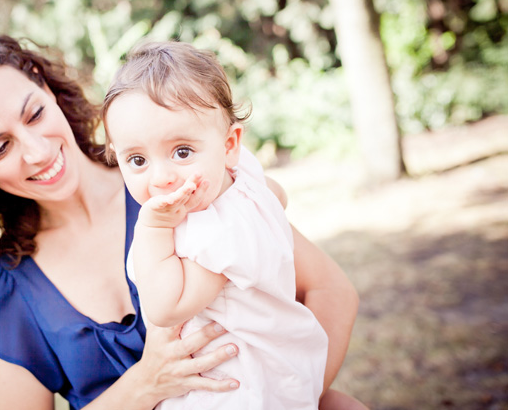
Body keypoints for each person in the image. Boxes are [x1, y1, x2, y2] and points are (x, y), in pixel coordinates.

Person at [0, 34, 362, 410]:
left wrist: (298, 395)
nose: (38, 151)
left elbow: (331, 291)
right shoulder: (10, 288)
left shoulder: (170, 182)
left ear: (45, 87)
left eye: (35, 114)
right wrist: (144, 385)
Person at [103, 41, 365, 409]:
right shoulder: (243, 179)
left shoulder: (216, 235)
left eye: (182, 152)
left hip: (236, 391)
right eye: (137, 159)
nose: (161, 177)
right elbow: (277, 194)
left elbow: (165, 307)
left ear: (229, 145)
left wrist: (154, 229)